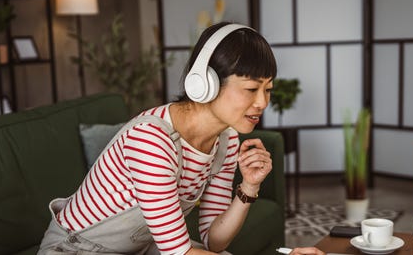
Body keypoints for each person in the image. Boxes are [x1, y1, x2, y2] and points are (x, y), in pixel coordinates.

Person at [39, 22, 324, 255]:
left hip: (136, 248)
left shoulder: (226, 141)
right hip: (76, 250)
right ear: (205, 83)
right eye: (251, 88)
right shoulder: (152, 139)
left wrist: (249, 187)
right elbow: (179, 253)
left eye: (268, 89)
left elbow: (215, 241)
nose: (263, 102)